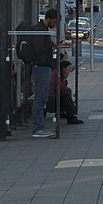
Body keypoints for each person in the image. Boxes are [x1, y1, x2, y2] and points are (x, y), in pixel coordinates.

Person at [29, 8, 59, 138]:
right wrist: (50, 47)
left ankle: (39, 126)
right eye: (55, 21)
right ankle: (38, 127)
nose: (55, 24)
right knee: (40, 98)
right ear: (50, 18)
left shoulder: (42, 29)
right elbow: (38, 49)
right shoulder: (39, 30)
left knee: (42, 98)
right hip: (41, 67)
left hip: (43, 66)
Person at [50, 60, 84, 124]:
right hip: (51, 94)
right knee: (66, 94)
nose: (69, 71)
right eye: (68, 69)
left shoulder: (58, 73)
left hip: (53, 92)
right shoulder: (57, 74)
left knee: (67, 91)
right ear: (64, 69)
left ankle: (66, 111)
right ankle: (71, 115)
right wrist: (65, 78)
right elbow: (60, 88)